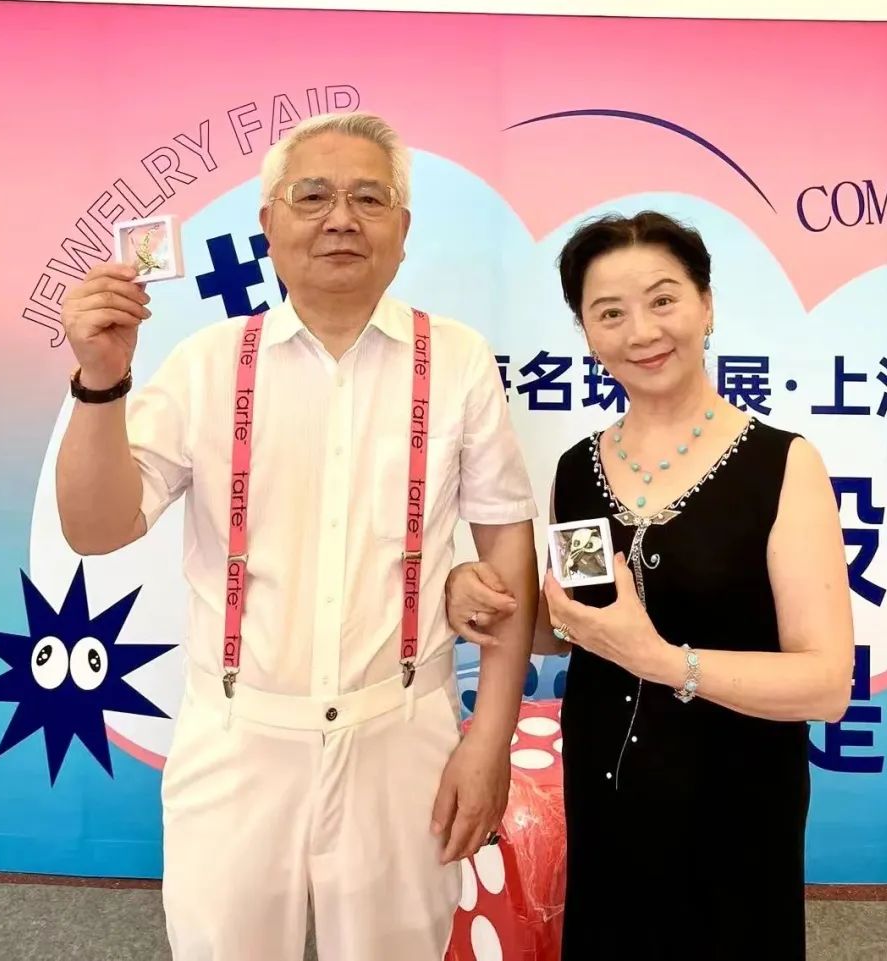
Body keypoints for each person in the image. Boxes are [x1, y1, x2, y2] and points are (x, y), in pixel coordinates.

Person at [57, 112, 539, 961]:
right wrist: (102, 381)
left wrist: (489, 740)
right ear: (269, 224)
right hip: (238, 741)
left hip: (403, 735)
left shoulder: (459, 360)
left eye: (369, 198)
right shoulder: (207, 363)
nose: (341, 218)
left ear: (403, 230)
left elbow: (507, 556)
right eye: (312, 196)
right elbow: (95, 529)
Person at [447, 210, 853, 960]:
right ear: (587, 333)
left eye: (663, 299)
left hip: (738, 805)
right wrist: (475, 593)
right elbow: (573, 621)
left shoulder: (783, 466)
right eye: (610, 313)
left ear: (706, 305)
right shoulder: (579, 468)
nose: (641, 331)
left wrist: (662, 660)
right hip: (605, 795)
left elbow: (826, 684)